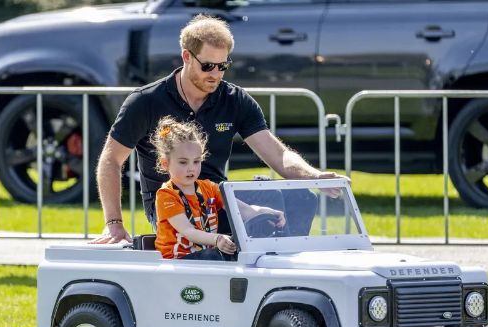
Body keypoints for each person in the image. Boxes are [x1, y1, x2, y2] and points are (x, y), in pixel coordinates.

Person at [91, 14, 348, 244]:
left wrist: (313, 176)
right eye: (207, 66)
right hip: (172, 203)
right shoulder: (146, 101)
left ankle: (284, 275)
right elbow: (111, 160)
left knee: (299, 199)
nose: (215, 74)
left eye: (222, 66)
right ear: (186, 57)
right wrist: (114, 224)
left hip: (218, 197)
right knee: (262, 216)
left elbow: (277, 154)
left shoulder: (235, 99)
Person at [151, 117, 284, 260]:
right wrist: (217, 239)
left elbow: (241, 210)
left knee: (244, 254)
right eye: (183, 162)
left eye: (196, 161)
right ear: (165, 164)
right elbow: (188, 231)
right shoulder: (167, 194)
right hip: (177, 261)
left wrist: (265, 212)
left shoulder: (209, 187)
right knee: (218, 256)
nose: (191, 168)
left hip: (206, 258)